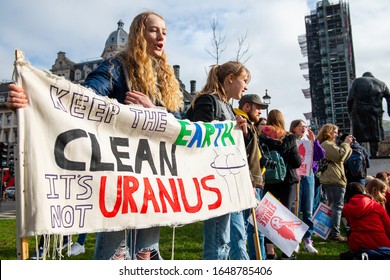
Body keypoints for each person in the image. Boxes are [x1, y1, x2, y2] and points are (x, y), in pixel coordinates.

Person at [7, 11, 183, 260]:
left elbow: (180, 124)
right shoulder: (116, 66)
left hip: (153, 178)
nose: (161, 36)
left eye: (164, 32)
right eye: (154, 30)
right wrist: (33, 100)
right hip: (118, 175)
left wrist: (154, 110)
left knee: (147, 254)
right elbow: (82, 98)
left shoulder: (166, 79)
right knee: (116, 255)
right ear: (137, 34)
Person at [186, 61, 251, 260]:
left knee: (236, 238)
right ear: (230, 79)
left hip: (229, 182)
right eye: (244, 80)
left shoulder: (228, 108)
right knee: (218, 240)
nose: (246, 86)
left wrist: (242, 132)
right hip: (215, 182)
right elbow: (199, 140)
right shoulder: (208, 101)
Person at [258, 109, 302, 260]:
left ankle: (269, 251)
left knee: (269, 214)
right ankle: (286, 252)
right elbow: (296, 162)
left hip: (270, 178)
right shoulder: (288, 137)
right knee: (286, 215)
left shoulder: (262, 136)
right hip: (287, 180)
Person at [234, 94, 268, 260]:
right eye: (258, 108)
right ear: (247, 107)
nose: (260, 112)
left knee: (250, 227)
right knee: (245, 228)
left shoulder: (250, 126)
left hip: (253, 182)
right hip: (246, 183)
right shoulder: (240, 122)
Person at [289, 119, 325, 254]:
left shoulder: (309, 142)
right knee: (295, 209)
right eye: (300, 126)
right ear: (293, 128)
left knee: (308, 209)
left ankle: (308, 240)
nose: (303, 129)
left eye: (305, 126)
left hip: (308, 175)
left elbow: (320, 155)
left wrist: (314, 141)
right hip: (295, 176)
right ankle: (295, 239)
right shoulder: (290, 140)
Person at [317, 124, 353, 242]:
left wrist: (347, 145)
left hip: (332, 178)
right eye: (335, 132)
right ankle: (335, 234)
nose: (337, 134)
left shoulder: (327, 144)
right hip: (334, 179)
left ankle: (328, 231)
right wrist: (346, 144)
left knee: (332, 206)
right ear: (328, 132)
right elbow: (340, 156)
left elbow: (343, 157)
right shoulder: (327, 144)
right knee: (337, 206)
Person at [342, 182, 390, 259]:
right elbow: (388, 226)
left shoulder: (347, 208)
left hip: (357, 243)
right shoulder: (376, 205)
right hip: (380, 242)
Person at [347, 72, 390, 157]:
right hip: (375, 111)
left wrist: (350, 111)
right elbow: (389, 98)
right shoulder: (382, 84)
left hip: (359, 111)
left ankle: (359, 154)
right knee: (375, 134)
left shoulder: (357, 81)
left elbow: (350, 98)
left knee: (358, 134)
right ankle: (375, 154)